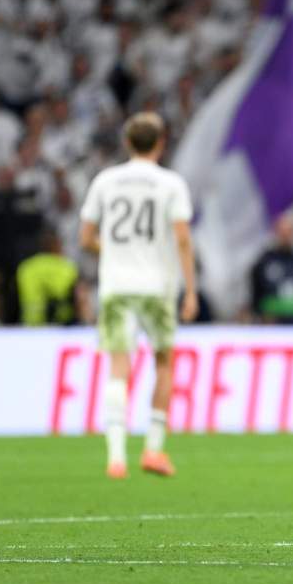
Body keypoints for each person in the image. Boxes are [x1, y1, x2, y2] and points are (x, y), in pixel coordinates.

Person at [79, 112, 198, 479]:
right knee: (163, 361)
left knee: (118, 365)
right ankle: (153, 449)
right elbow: (181, 237)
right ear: (161, 142)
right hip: (156, 287)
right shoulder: (170, 183)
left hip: (115, 286)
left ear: (127, 142)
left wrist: (113, 252)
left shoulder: (105, 181)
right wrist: (190, 290)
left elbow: (86, 239)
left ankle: (116, 457)